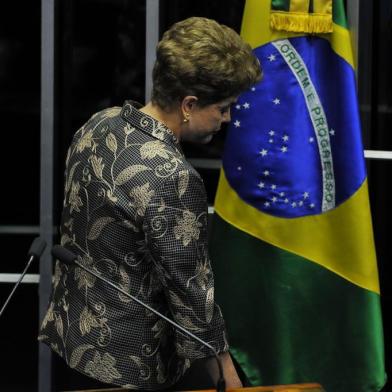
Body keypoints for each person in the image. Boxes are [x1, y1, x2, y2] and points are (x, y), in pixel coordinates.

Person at [39, 16, 262, 390]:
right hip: (130, 367)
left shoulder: (99, 124)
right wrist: (228, 377)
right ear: (189, 104)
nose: (226, 119)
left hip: (73, 340)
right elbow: (191, 296)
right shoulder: (173, 177)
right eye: (223, 108)